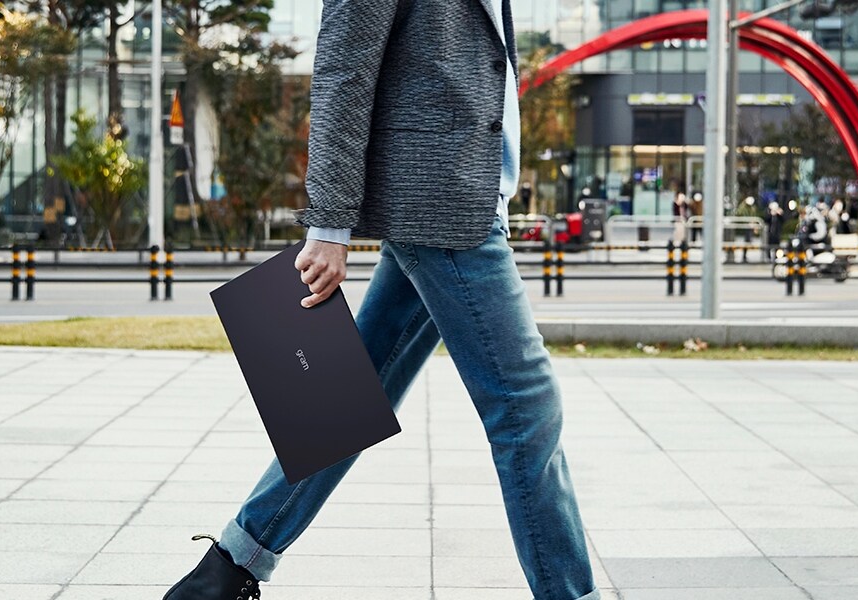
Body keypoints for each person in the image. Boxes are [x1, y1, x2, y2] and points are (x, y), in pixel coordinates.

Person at [161, 1, 599, 599]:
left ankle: (225, 573)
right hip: (439, 204)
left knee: (349, 401)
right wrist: (329, 227)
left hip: (459, 197)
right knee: (526, 408)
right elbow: (344, 68)